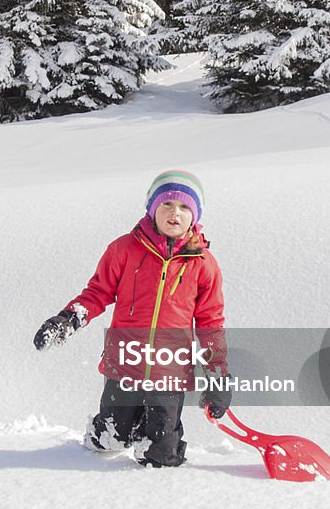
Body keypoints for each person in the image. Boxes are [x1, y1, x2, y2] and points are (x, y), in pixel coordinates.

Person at [33, 170, 231, 468]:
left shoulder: (203, 264)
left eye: (184, 207)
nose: (174, 213)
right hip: (125, 362)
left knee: (161, 454)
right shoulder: (125, 249)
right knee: (110, 438)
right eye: (166, 204)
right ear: (152, 209)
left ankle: (151, 447)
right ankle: (119, 431)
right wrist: (67, 319)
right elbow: (97, 292)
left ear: (195, 216)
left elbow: (210, 323)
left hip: (169, 368)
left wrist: (216, 373)